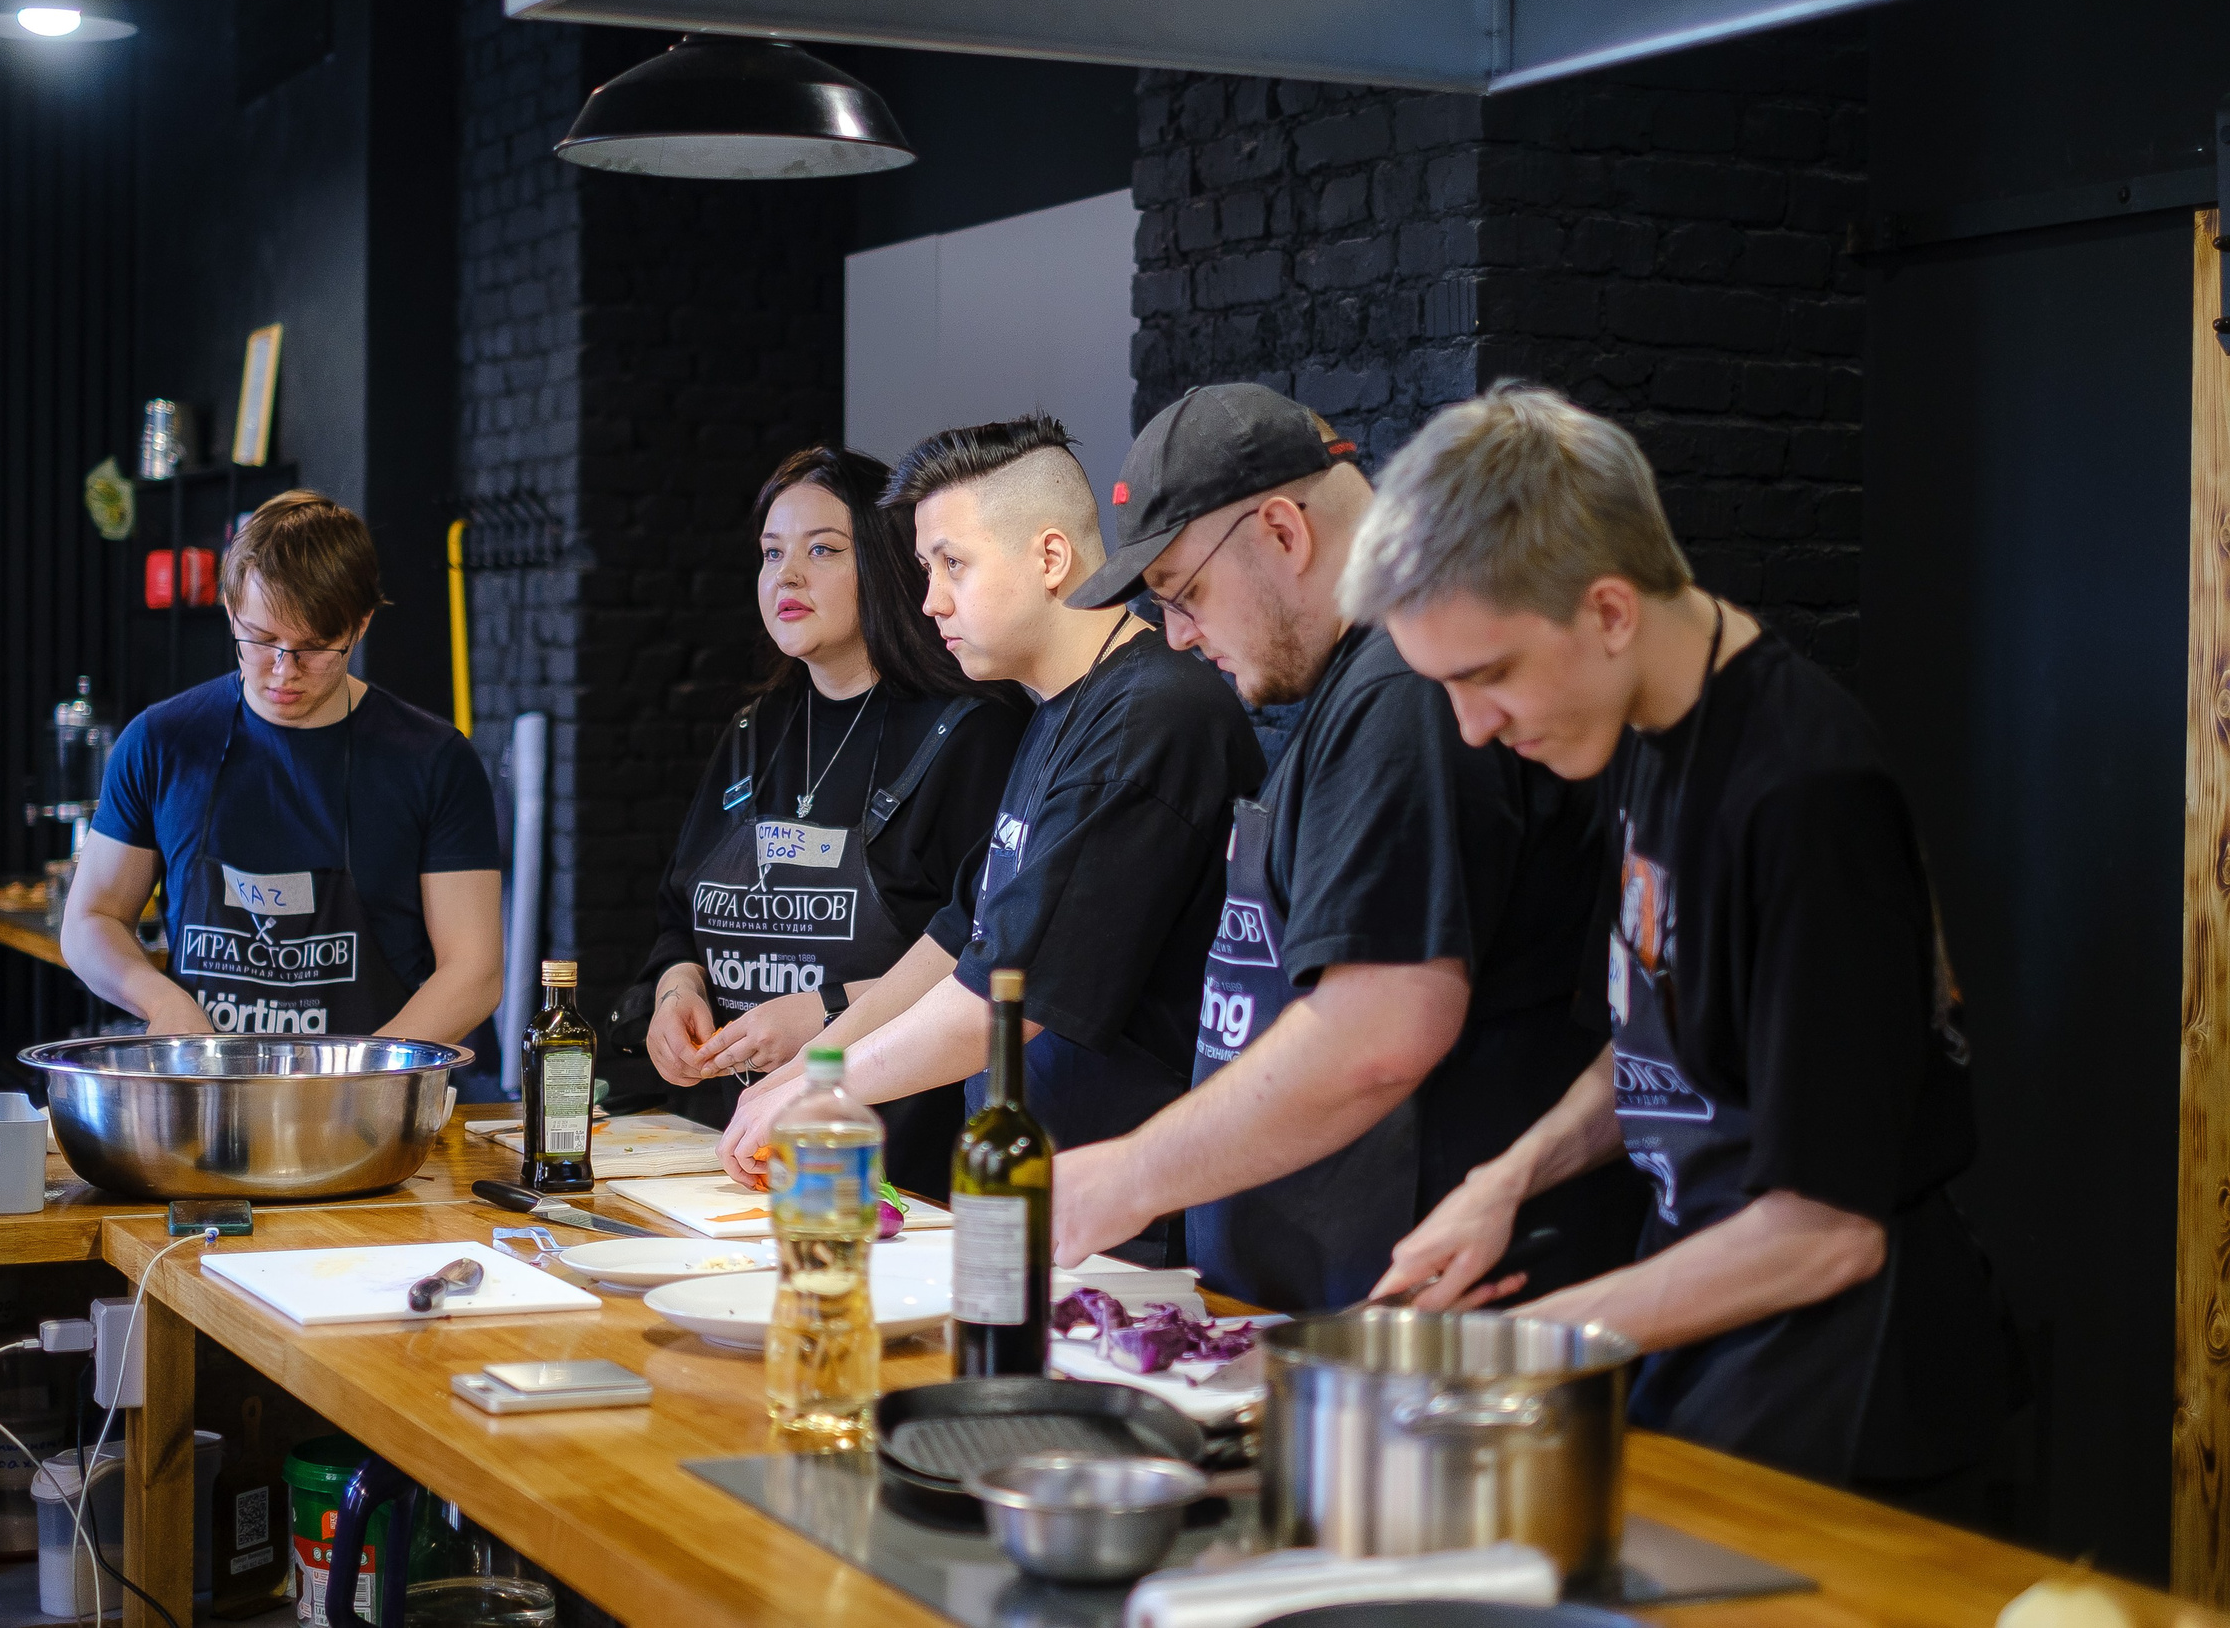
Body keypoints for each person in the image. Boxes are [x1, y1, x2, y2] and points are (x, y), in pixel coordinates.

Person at [1348, 382, 2022, 1493]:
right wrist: (1505, 1179)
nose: (1472, 728)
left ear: (1610, 612)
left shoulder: (1804, 793)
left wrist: (1518, 1352)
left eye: (1488, 676)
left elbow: (1825, 1230)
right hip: (1718, 1333)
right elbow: (1667, 1030)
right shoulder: (1645, 731)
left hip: (1850, 1385)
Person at [1045, 383, 1647, 1314]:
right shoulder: (1351, 688)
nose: (1176, 634)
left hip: (1429, 1319)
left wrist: (1127, 1175)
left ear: (1284, 532)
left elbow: (1378, 1032)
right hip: (1323, 1303)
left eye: (1186, 592)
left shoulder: (1401, 693)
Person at [717, 415, 1265, 1262]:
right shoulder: (1057, 710)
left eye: (952, 565)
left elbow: (1001, 1002)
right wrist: (812, 1063)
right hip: (1040, 1206)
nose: (931, 598)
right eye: (927, 568)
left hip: (1130, 1230)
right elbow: (962, 935)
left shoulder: (1153, 714)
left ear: (1049, 560)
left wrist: (825, 1086)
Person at [629, 444, 1027, 1195]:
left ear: (882, 563)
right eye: (772, 552)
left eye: (823, 550)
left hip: (904, 1173)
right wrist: (675, 988)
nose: (788, 574)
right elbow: (677, 916)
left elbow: (990, 957)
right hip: (743, 1159)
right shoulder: (753, 731)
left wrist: (827, 1011)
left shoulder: (970, 733)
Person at [63, 491, 503, 1045]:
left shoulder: (434, 761)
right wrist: (160, 1001)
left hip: (369, 1114)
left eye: (315, 647)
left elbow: (475, 972)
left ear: (360, 624)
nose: (282, 671)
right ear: (230, 610)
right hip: (207, 1095)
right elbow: (90, 921)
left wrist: (364, 1076)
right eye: (262, 639)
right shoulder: (161, 742)